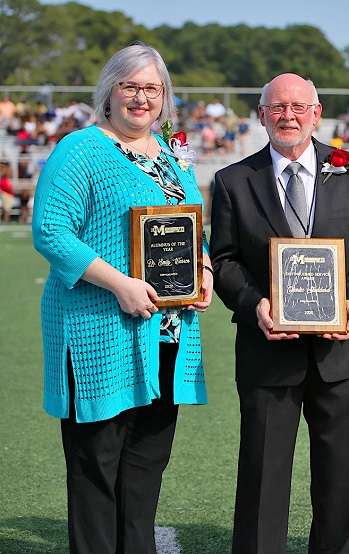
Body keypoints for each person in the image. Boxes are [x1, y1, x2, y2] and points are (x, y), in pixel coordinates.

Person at [31, 43, 212, 553]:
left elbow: (190, 228)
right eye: (129, 86)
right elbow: (51, 230)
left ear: (164, 97)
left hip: (168, 335)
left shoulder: (172, 155)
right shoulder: (82, 148)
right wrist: (121, 284)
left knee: (145, 467)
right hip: (100, 333)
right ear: (109, 90)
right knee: (97, 467)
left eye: (151, 88)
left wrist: (204, 269)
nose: (140, 97)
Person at [210, 73, 349, 554]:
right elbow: (224, 260)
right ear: (262, 114)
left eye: (297, 106)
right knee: (262, 477)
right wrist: (255, 305)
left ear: (316, 113)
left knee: (337, 478)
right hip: (267, 349)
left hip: (340, 351)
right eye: (277, 107)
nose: (287, 116)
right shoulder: (232, 181)